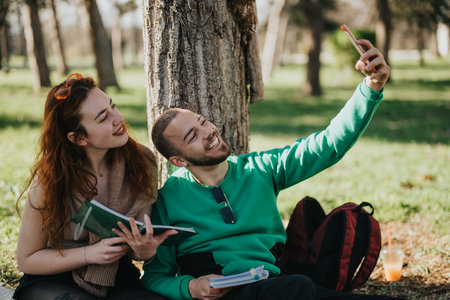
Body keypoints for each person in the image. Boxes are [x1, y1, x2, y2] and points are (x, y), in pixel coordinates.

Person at [140, 40, 402, 300]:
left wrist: (372, 87)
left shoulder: (260, 170)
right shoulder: (168, 200)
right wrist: (191, 288)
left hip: (276, 287)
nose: (208, 132)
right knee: (298, 288)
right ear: (179, 161)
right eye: (192, 136)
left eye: (203, 122)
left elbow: (326, 145)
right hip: (223, 295)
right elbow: (154, 276)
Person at [14, 73, 175, 300]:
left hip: (116, 276)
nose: (119, 118)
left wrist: (145, 250)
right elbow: (27, 259)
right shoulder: (50, 179)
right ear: (78, 138)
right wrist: (89, 254)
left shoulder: (142, 162)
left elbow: (139, 237)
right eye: (103, 118)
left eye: (113, 107)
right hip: (54, 277)